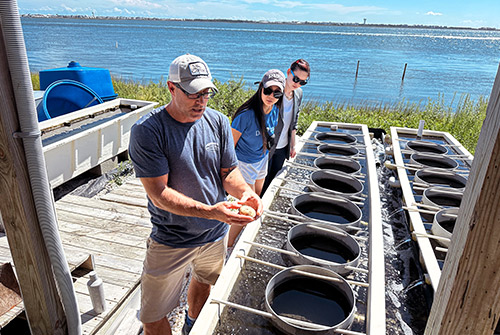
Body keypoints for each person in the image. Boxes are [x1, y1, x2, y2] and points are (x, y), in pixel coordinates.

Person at [128, 54, 263, 335]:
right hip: (171, 238)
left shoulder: (218, 122)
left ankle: (192, 325)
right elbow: (159, 195)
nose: (201, 101)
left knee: (204, 282)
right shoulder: (148, 131)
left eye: (206, 93)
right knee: (152, 318)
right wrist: (212, 211)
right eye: (192, 94)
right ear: (171, 88)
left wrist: (246, 193)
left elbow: (229, 172)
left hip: (214, 235)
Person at [228, 69, 285, 246]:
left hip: (261, 160)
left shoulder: (274, 110)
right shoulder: (245, 115)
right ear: (260, 88)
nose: (271, 96)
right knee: (249, 205)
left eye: (277, 92)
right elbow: (229, 146)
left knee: (257, 196)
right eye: (268, 90)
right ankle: (228, 245)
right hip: (244, 163)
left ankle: (242, 231)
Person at [262, 59, 311, 195]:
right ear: (288, 72)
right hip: (267, 145)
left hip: (283, 146)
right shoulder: (274, 91)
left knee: (273, 179)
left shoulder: (298, 94)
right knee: (261, 180)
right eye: (296, 79)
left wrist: (293, 145)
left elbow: (294, 121)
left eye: (302, 82)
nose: (298, 84)